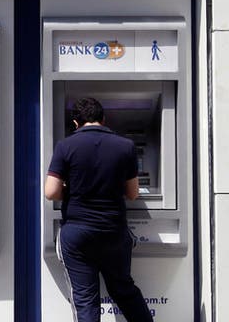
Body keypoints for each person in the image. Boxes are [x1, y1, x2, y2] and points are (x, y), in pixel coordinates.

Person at [44, 97, 154, 322]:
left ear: (76, 123)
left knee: (85, 301)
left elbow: (51, 192)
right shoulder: (126, 146)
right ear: (104, 119)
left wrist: (75, 191)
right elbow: (133, 193)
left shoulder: (65, 146)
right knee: (124, 291)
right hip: (113, 232)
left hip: (77, 234)